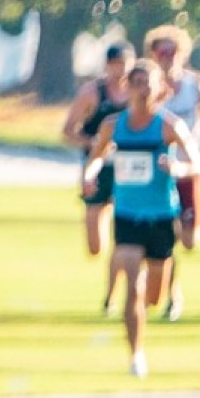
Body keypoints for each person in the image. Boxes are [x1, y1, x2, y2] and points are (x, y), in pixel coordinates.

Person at [82, 60, 200, 378]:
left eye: (148, 83)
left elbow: (197, 163)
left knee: (153, 295)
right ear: (127, 87)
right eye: (136, 82)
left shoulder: (169, 125)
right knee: (133, 287)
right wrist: (89, 176)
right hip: (127, 215)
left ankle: (152, 306)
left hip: (161, 216)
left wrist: (178, 168)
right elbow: (95, 158)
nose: (142, 89)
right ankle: (136, 356)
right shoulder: (113, 125)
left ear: (160, 87)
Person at [145, 24, 200, 322]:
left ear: (183, 53)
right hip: (159, 173)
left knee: (190, 239)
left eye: (173, 51)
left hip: (188, 170)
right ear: (153, 55)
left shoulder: (195, 85)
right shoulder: (148, 89)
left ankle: (163, 278)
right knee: (167, 234)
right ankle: (171, 293)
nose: (167, 57)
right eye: (161, 52)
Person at [62, 42, 134, 316]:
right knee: (95, 246)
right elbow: (68, 130)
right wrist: (95, 143)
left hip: (130, 169)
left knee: (123, 238)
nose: (120, 70)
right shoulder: (93, 92)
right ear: (107, 65)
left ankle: (111, 296)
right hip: (98, 168)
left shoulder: (139, 92)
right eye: (116, 64)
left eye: (125, 64)